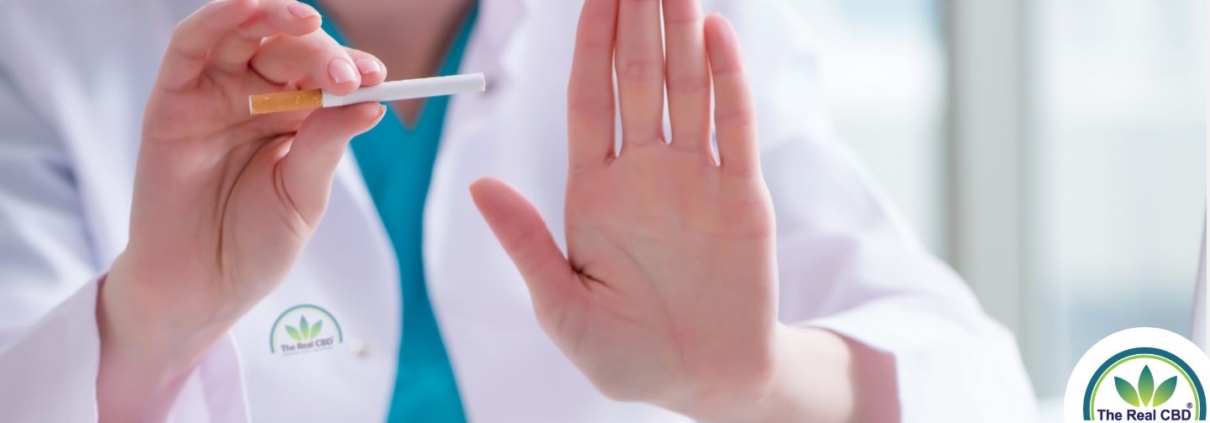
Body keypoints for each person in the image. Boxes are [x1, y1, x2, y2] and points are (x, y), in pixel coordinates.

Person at [0, 0, 1037, 421]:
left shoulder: (681, 29)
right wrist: (145, 326)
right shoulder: (51, 35)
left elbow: (979, 385)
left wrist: (756, 377)